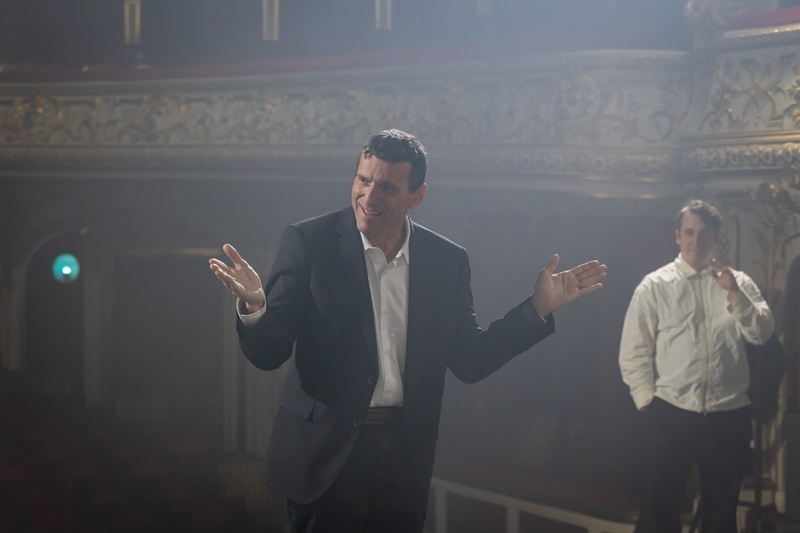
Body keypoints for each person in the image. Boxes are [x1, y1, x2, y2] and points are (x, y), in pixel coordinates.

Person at [209, 129, 607, 533]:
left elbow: (470, 360)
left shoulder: (446, 261)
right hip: (324, 456)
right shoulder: (309, 241)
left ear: (417, 196)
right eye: (363, 180)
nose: (369, 196)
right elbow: (270, 353)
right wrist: (256, 306)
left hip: (402, 460)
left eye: (386, 187)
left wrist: (537, 308)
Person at [619, 199, 774, 533]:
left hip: (728, 414)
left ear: (716, 237)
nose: (695, 240)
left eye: (704, 233)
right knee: (659, 508)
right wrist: (648, 403)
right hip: (672, 410)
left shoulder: (740, 282)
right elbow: (633, 352)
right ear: (677, 235)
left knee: (721, 511)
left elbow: (761, 334)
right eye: (689, 232)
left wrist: (735, 295)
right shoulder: (654, 286)